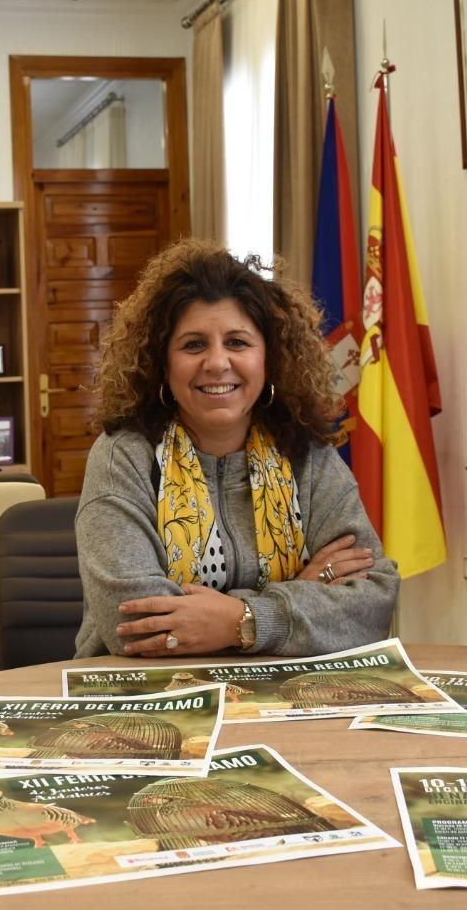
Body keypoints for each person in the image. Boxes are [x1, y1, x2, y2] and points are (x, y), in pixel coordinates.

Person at [74, 240, 398, 659]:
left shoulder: (309, 455)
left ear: (270, 358)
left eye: (238, 343)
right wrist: (302, 592)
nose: (217, 363)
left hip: (287, 701)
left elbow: (374, 601)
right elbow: (135, 627)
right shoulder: (124, 457)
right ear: (162, 363)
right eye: (193, 345)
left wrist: (241, 619)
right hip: (149, 700)